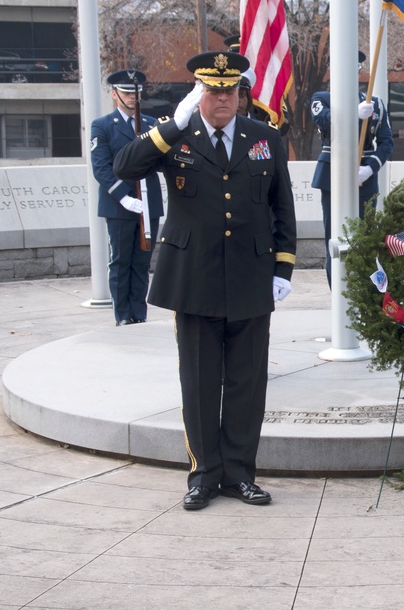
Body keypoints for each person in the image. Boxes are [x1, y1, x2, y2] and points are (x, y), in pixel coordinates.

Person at [113, 51, 297, 510]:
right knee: (199, 381)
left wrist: (283, 268)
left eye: (229, 91)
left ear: (240, 94)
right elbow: (124, 167)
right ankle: (203, 474)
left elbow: (283, 208)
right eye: (212, 91)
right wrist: (171, 127)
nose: (222, 99)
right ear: (198, 94)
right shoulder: (176, 136)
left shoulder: (264, 138)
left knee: (246, 384)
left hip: (252, 277)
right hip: (193, 278)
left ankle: (240, 474)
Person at [310, 49, 393, 288]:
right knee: (334, 236)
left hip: (364, 177)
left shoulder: (374, 103)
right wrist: (353, 115)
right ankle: (337, 292)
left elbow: (387, 142)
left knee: (365, 238)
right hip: (332, 175)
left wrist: (370, 169)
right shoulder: (321, 98)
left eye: (354, 69)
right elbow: (328, 123)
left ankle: (363, 295)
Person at [89, 69, 164, 326]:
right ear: (115, 95)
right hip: (119, 206)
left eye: (136, 93)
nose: (133, 97)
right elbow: (101, 167)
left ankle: (139, 314)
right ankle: (122, 315)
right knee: (121, 262)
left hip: (148, 204)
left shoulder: (153, 124)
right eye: (127, 93)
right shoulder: (103, 126)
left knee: (142, 262)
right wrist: (123, 197)